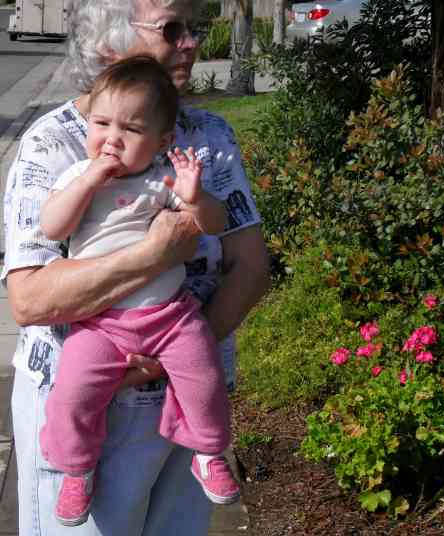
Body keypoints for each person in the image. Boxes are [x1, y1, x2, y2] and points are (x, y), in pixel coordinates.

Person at [2, 0, 270, 534]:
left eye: (194, 28)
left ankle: (208, 449)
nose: (191, 42)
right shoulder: (53, 146)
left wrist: (178, 353)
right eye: (172, 29)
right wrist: (154, 253)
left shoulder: (209, 136)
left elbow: (251, 265)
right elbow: (30, 300)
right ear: (109, 43)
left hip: (188, 393)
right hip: (93, 402)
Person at [38, 55, 241, 527]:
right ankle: (76, 468)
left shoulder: (162, 179)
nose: (111, 139)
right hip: (101, 323)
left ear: (162, 141)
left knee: (203, 373)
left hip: (169, 316)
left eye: (129, 130)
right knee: (72, 392)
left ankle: (208, 452)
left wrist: (195, 197)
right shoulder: (77, 177)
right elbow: (53, 226)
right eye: (101, 123)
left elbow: (214, 224)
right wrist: (89, 180)